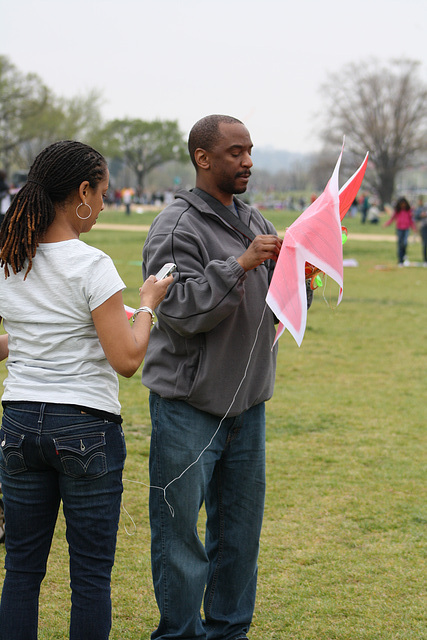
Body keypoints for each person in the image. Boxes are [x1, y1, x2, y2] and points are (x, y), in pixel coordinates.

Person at [142, 114, 309, 640]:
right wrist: (239, 265)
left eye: (251, 150)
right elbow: (180, 311)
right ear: (202, 157)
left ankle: (230, 631)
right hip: (188, 409)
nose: (248, 162)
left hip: (248, 407)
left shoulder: (256, 221)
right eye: (236, 152)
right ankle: (180, 634)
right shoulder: (175, 227)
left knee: (239, 536)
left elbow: (271, 310)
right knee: (179, 538)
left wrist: (299, 283)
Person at [0, 140, 173, 640]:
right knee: (91, 578)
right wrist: (147, 305)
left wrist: (33, 338)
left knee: (21, 573)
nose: (101, 204)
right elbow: (126, 359)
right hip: (84, 427)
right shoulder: (91, 264)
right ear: (80, 192)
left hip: (18, 423)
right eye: (99, 193)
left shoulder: (10, 257)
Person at [384, 196, 417, 266]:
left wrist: (414, 228)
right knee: (399, 244)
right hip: (399, 229)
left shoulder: (408, 210)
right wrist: (386, 224)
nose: (403, 205)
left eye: (404, 203)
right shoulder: (397, 211)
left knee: (404, 243)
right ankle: (400, 260)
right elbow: (392, 219)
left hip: (406, 228)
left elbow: (411, 220)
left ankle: (404, 255)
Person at [414, 195, 427, 266]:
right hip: (424, 227)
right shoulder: (423, 207)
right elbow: (417, 216)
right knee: (425, 243)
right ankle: (425, 260)